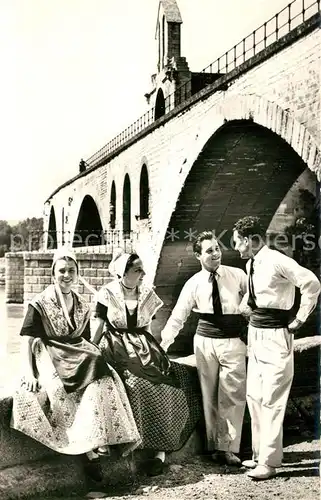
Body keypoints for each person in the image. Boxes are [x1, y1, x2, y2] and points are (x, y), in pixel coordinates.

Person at [11, 249, 141, 484]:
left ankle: (100, 440)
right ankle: (87, 452)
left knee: (104, 377)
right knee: (59, 389)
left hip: (74, 352)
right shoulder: (39, 303)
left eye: (71, 271)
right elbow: (27, 340)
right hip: (49, 352)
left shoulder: (81, 303)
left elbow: (87, 340)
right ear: (53, 273)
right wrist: (29, 373)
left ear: (78, 274)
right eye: (62, 271)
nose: (67, 275)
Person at [92, 252, 202, 476]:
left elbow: (148, 330)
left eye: (143, 270)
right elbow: (98, 329)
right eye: (138, 270)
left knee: (166, 381)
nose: (143, 274)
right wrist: (91, 353)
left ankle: (160, 452)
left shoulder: (147, 294)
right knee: (135, 384)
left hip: (142, 344)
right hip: (116, 345)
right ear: (124, 273)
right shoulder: (107, 294)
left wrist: (158, 353)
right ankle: (134, 442)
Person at [233, 216, 320, 480]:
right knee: (255, 395)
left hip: (276, 336)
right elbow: (254, 296)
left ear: (249, 240)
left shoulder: (276, 260)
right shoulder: (251, 264)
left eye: (237, 243)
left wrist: (300, 319)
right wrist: (245, 307)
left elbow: (312, 283)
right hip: (256, 334)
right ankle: (260, 455)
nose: (236, 248)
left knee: (271, 396)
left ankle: (269, 463)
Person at [160, 231, 248, 466]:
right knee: (208, 394)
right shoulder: (194, 283)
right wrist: (163, 345)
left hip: (233, 340)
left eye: (217, 248)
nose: (216, 254)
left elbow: (255, 297)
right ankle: (214, 447)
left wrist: (249, 323)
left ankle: (228, 448)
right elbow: (178, 316)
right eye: (209, 251)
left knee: (233, 393)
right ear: (199, 255)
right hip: (205, 342)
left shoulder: (238, 275)